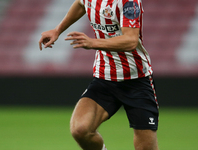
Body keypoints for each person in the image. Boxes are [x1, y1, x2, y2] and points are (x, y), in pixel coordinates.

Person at [39, 0, 159, 149]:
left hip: (136, 80)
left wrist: (92, 43)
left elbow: (131, 40)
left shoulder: (129, 2)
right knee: (80, 129)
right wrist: (57, 30)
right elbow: (80, 3)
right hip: (105, 78)